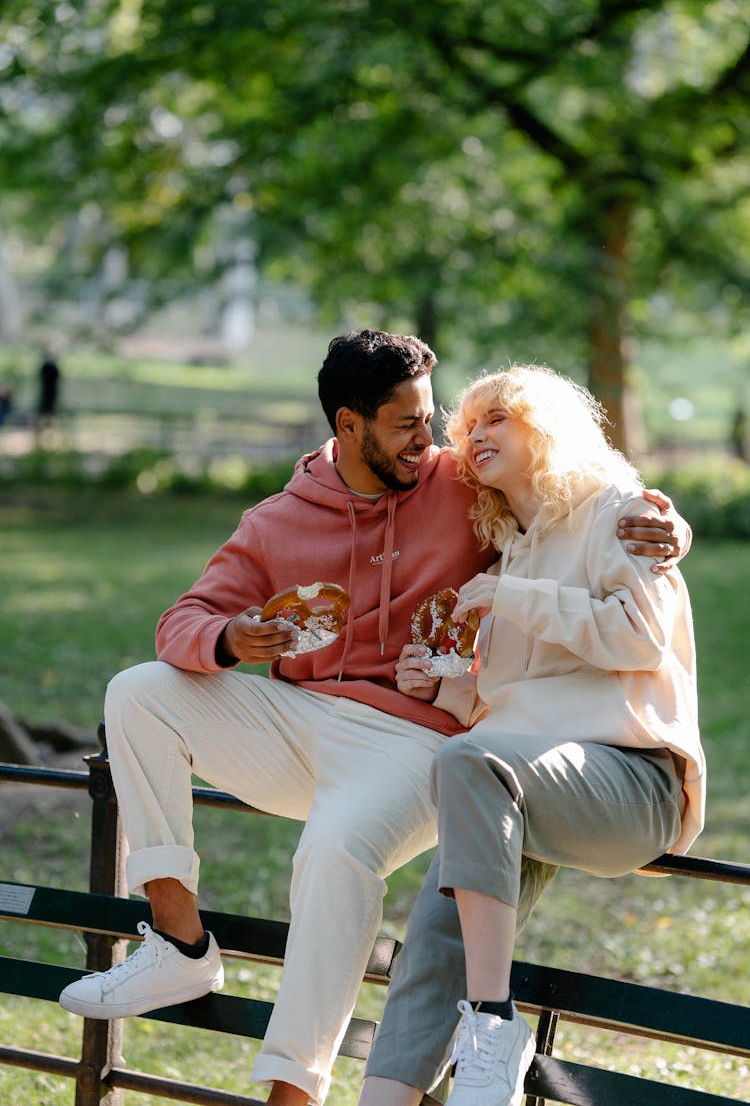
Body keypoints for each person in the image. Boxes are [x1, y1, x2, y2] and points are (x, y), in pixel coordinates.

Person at [58, 332, 688, 1106]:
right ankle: (178, 940)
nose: (430, 440)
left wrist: (667, 524)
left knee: (333, 852)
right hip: (297, 717)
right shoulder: (277, 520)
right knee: (139, 689)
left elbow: (571, 486)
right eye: (406, 424)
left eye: (431, 419)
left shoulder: (462, 479)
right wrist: (228, 636)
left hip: (418, 742)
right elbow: (183, 619)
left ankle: (293, 1089)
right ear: (349, 425)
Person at [360, 364, 705, 1106]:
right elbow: (511, 707)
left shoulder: (620, 510)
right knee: (428, 950)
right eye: (468, 427)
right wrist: (440, 686)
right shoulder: (510, 547)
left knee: (471, 761)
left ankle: (491, 1024)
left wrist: (515, 599)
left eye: (498, 418)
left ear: (546, 425)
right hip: (522, 782)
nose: (476, 435)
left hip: (632, 782)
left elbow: (642, 637)